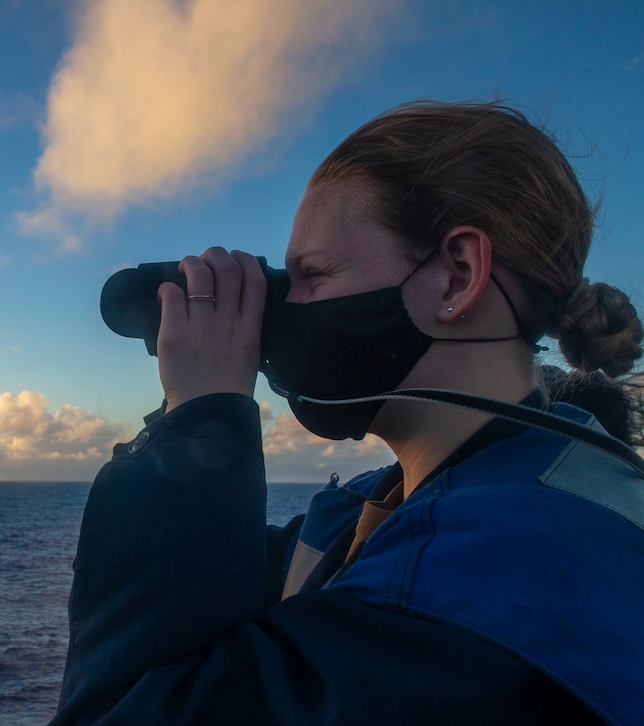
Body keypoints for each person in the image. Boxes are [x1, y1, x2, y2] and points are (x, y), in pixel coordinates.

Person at [52, 101, 644, 725]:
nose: (286, 307)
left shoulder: (495, 591)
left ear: (456, 278)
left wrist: (200, 417)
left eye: (312, 274)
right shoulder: (499, 491)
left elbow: (125, 708)